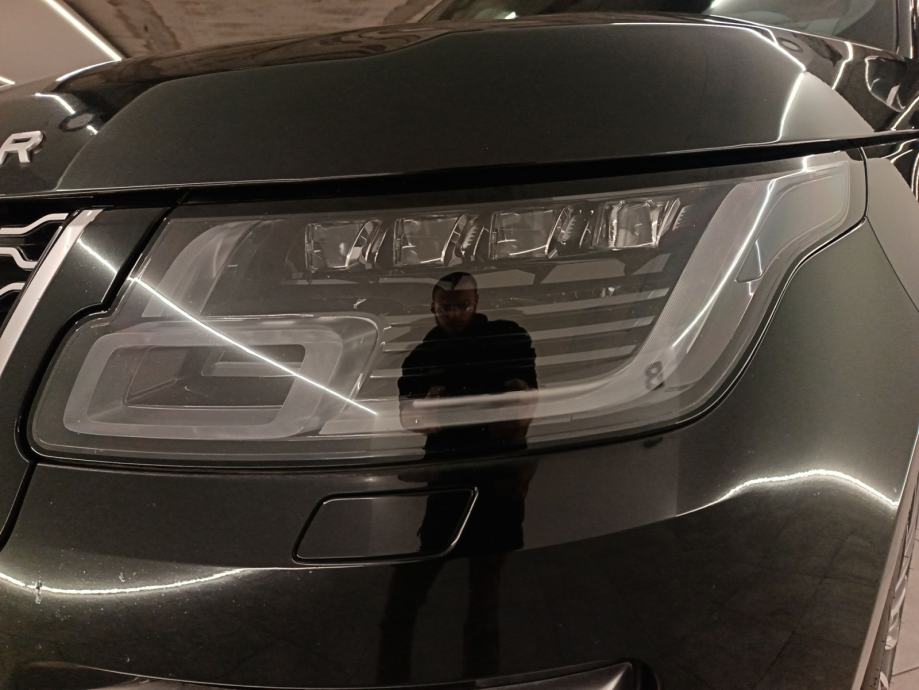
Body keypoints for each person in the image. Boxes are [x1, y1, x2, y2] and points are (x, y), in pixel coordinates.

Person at [377, 271, 538, 682]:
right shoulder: (421, 356)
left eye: (462, 305)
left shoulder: (507, 338)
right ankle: (401, 661)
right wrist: (431, 411)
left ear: (476, 304)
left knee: (485, 581)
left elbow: (524, 404)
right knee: (429, 568)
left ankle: (474, 672)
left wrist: (501, 406)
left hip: (498, 470)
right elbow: (411, 419)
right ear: (433, 307)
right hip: (456, 473)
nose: (455, 313)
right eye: (447, 306)